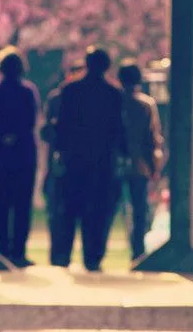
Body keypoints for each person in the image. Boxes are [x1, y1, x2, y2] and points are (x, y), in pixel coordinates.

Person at [53, 46, 127, 272]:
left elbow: (63, 126)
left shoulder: (71, 90)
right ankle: (93, 257)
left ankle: (63, 256)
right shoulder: (113, 94)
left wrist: (60, 152)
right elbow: (118, 129)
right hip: (102, 162)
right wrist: (122, 156)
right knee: (97, 213)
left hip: (74, 160)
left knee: (69, 211)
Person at [0, 46, 40, 267]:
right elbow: (31, 121)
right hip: (24, 156)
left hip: (0, 158)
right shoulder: (28, 92)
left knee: (0, 206)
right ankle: (18, 251)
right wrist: (15, 134)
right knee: (22, 206)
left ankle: (2, 250)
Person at [118, 61, 164, 261]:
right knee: (139, 210)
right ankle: (137, 251)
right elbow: (152, 139)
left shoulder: (115, 102)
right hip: (140, 166)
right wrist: (155, 167)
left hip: (114, 165)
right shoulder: (146, 105)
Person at [40, 60, 84, 262]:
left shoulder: (61, 97)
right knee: (58, 213)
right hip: (61, 164)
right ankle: (59, 255)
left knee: (61, 212)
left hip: (66, 164)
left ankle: (60, 255)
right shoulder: (58, 98)